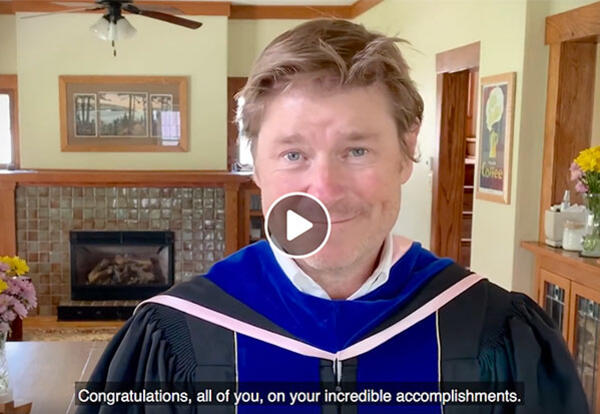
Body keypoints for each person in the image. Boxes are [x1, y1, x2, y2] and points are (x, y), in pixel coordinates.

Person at [76, 19, 588, 414]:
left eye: (357, 151)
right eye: (293, 154)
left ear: (406, 152)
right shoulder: (176, 333)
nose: (324, 192)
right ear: (255, 163)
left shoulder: (491, 328)